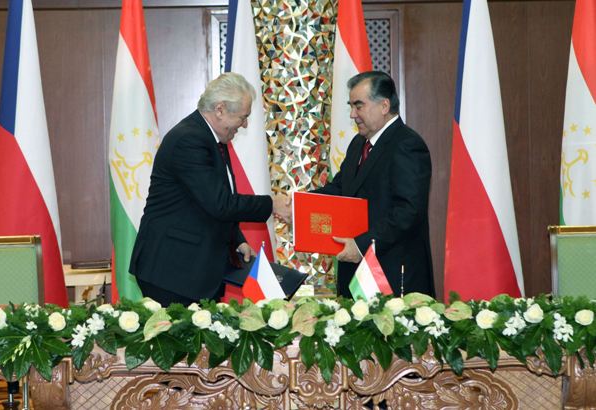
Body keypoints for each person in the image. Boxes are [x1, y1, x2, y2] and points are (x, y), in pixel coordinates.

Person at [130, 72, 291, 306]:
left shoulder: (209, 138)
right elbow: (220, 203)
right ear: (220, 109)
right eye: (243, 117)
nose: (245, 124)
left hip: (190, 269)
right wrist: (272, 204)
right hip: (172, 271)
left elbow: (204, 203)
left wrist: (236, 240)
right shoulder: (190, 140)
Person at [315, 71, 435, 298]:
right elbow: (340, 189)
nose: (352, 114)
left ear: (384, 106)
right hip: (356, 274)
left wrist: (361, 245)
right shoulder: (358, 143)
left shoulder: (408, 144)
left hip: (393, 276)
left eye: (358, 106)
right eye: (351, 106)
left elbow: (408, 212)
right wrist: (298, 203)